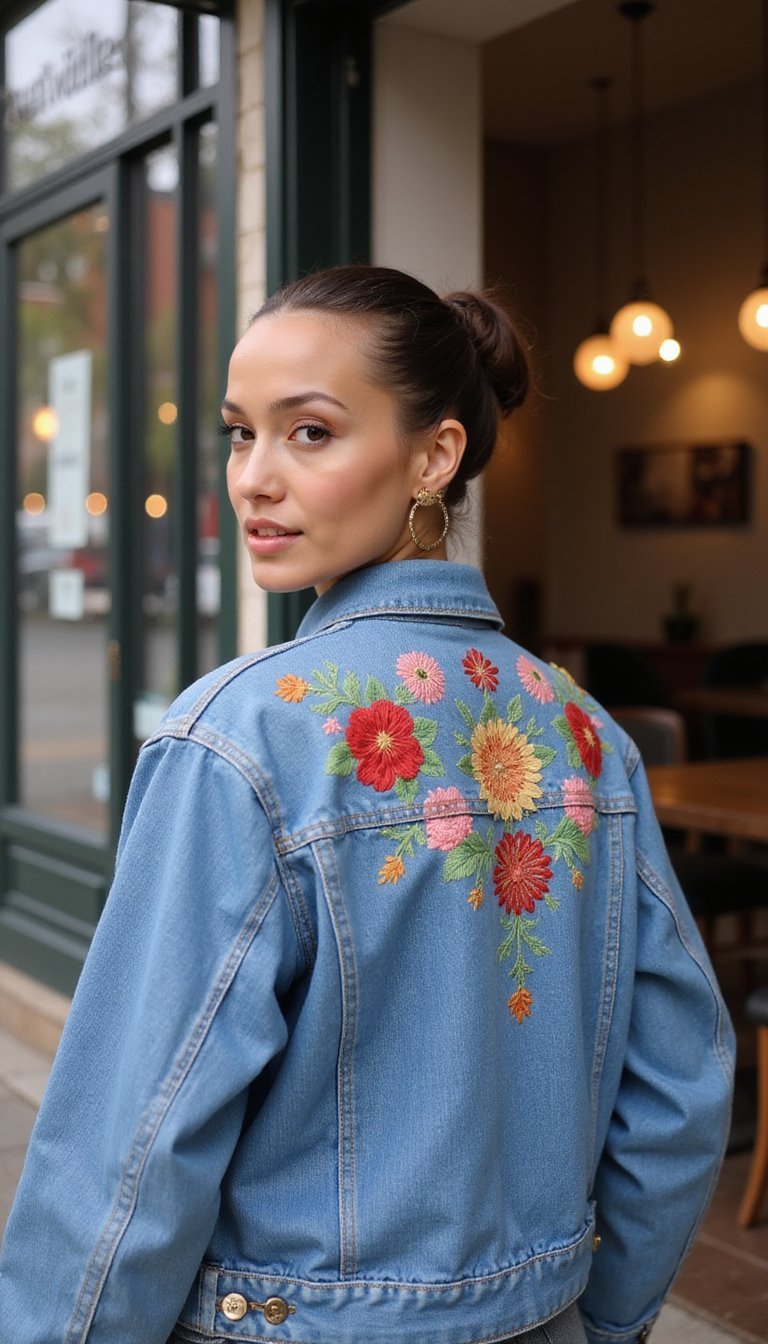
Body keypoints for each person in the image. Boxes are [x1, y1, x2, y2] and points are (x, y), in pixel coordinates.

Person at [0, 266, 734, 1344]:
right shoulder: (587, 737)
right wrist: (600, 1317)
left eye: (309, 433)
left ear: (434, 455)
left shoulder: (241, 739)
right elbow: (679, 1092)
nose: (253, 477)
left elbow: (134, 1143)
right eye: (239, 433)